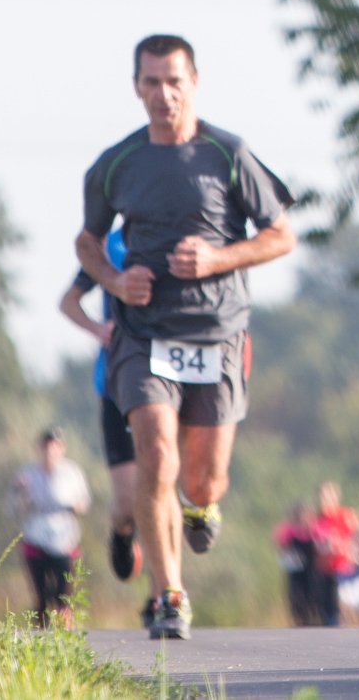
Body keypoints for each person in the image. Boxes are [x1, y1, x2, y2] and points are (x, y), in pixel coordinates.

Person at [75, 34, 296, 639]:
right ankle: (169, 595)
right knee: (156, 455)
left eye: (174, 81)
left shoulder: (228, 154)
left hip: (217, 335)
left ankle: (201, 507)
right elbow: (86, 245)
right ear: (136, 87)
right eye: (151, 82)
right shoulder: (117, 164)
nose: (163, 94)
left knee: (202, 478)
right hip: (144, 336)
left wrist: (220, 258)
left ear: (193, 83)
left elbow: (281, 235)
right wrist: (116, 282)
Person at [58, 227, 143, 591]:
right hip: (117, 385)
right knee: (128, 504)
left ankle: (163, 596)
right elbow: (68, 301)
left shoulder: (181, 233)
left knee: (162, 492)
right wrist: (98, 328)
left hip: (173, 379)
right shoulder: (111, 245)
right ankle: (123, 533)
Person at [5, 428, 90, 628]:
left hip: (65, 537)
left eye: (54, 446)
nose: (49, 451)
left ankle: (64, 634)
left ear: (61, 449)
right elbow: (12, 509)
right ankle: (41, 635)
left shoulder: (72, 472)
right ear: (39, 449)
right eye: (46, 445)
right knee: (41, 596)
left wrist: (76, 506)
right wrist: (21, 494)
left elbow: (84, 503)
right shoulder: (27, 474)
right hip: (36, 537)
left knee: (63, 596)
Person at [310, 481, 359, 627]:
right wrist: (325, 546)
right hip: (325, 569)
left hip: (343, 567)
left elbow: (355, 538)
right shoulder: (317, 519)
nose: (325, 500)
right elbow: (317, 543)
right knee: (328, 610)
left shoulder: (345, 515)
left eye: (329, 496)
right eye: (322, 497)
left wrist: (348, 549)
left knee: (344, 605)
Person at [273, 502, 320, 627]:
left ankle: (312, 621)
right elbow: (280, 545)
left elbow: (322, 544)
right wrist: (285, 552)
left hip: (312, 571)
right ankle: (299, 622)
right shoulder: (290, 531)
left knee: (313, 598)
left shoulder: (314, 530)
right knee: (296, 599)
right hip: (295, 571)